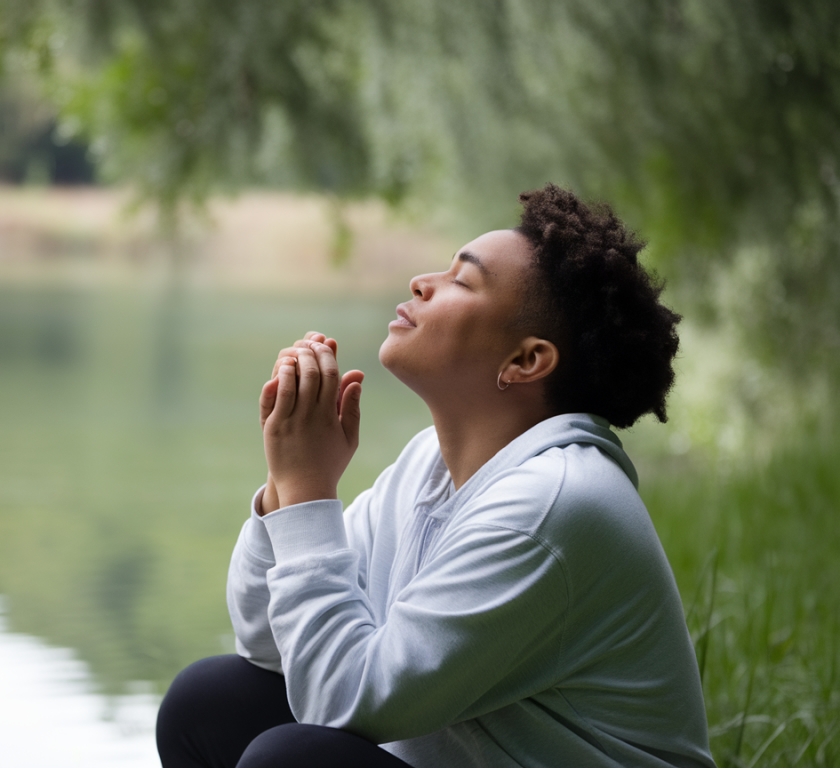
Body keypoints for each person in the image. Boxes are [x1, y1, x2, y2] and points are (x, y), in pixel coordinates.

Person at [156, 184, 716, 768]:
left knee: (293, 759)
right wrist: (285, 490)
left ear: (525, 361)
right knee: (208, 703)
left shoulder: (552, 505)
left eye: (462, 281)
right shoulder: (430, 466)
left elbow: (344, 702)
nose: (422, 282)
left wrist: (309, 494)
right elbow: (270, 648)